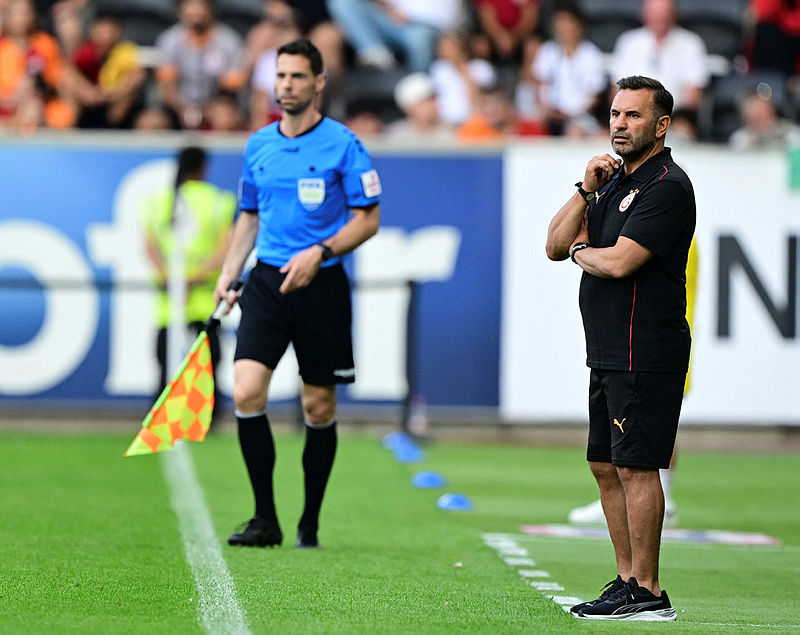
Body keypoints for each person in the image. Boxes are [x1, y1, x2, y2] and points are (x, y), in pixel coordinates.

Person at [214, 38, 381, 549]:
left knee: (318, 407)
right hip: (266, 281)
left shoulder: (344, 144)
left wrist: (321, 251)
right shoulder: (259, 144)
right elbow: (248, 215)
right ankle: (265, 518)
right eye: (280, 76)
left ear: (319, 82)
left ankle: (309, 522)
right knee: (245, 391)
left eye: (297, 77)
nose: (286, 85)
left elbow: (368, 220)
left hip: (321, 285)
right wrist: (228, 273)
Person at [545, 75, 695, 621]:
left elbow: (617, 261)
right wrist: (584, 190)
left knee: (637, 466)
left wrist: (584, 247)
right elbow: (552, 245)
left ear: (660, 125)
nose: (619, 124)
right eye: (614, 114)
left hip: (645, 348)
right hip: (608, 348)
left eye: (632, 116)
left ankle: (650, 590)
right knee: (604, 464)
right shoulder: (609, 181)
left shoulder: (667, 186)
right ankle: (627, 579)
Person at [568, 235, 699, 528]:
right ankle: (645, 497)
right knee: (638, 425)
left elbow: (620, 265)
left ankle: (660, 498)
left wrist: (580, 251)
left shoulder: (665, 226)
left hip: (653, 344)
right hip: (640, 342)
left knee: (650, 423)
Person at [140, 146, 236, 424]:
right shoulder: (219, 201)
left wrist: (172, 279)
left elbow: (149, 247)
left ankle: (160, 415)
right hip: (205, 294)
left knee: (165, 359)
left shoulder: (158, 201)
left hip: (170, 297)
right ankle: (207, 418)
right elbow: (224, 249)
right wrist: (195, 277)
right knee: (207, 361)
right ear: (203, 168)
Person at [155, 0, 245, 129]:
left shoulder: (228, 41)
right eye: (190, 5)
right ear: (181, 11)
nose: (196, 11)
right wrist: (184, 110)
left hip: (217, 105)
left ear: (210, 10)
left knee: (224, 119)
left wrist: (207, 112)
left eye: (200, 5)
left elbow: (231, 88)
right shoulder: (170, 40)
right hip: (176, 107)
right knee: (151, 122)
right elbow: (167, 86)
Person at [610, 0, 709, 113]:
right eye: (654, 12)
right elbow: (616, 90)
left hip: (675, 117)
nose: (660, 17)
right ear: (643, 14)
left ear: (675, 14)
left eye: (664, 12)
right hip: (632, 116)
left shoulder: (691, 43)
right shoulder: (629, 42)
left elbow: (693, 95)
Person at [530, 3, 606, 136]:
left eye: (568, 23)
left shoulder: (591, 54)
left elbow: (594, 97)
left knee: (575, 131)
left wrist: (569, 113)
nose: (564, 28)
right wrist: (547, 110)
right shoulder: (547, 51)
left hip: (579, 116)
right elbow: (540, 85)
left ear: (579, 25)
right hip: (549, 115)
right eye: (560, 23)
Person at [326, 0, 463, 71]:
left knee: (419, 38)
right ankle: (375, 54)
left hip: (424, 27)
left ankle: (418, 82)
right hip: (390, 21)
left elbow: (448, 19)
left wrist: (412, 17)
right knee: (343, 2)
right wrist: (387, 7)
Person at [71, 12, 145, 128]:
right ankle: (71, 128)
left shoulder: (124, 50)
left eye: (108, 31)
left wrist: (113, 94)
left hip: (115, 100)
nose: (103, 36)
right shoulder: (85, 51)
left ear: (117, 32)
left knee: (130, 95)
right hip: (89, 102)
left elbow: (137, 76)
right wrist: (88, 92)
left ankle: (112, 128)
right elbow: (70, 73)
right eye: (100, 30)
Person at [384, 71, 455, 143]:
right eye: (426, 101)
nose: (434, 104)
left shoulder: (452, 133)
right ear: (409, 107)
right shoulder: (396, 135)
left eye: (434, 99)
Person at [470, 0, 540, 64]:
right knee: (480, 46)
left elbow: (530, 16)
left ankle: (525, 77)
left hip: (521, 37)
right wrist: (500, 36)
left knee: (533, 47)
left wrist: (514, 37)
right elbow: (486, 15)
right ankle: (485, 75)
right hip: (492, 37)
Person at [728, 92, 800, 150]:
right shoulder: (740, 138)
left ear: (772, 111)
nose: (758, 120)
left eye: (761, 113)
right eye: (753, 117)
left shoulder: (790, 133)